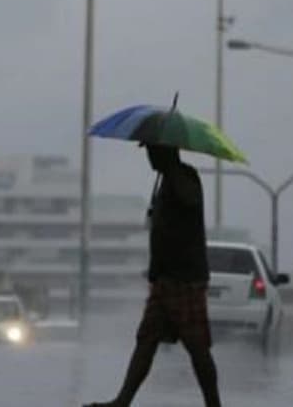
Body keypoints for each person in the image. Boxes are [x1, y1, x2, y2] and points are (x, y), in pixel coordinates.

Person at [85, 144, 221, 407]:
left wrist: (172, 175)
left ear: (165, 152)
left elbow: (191, 200)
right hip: (164, 279)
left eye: (151, 151)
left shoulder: (184, 177)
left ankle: (214, 404)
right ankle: (123, 401)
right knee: (145, 340)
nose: (148, 157)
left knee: (197, 347)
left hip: (184, 280)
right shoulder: (165, 183)